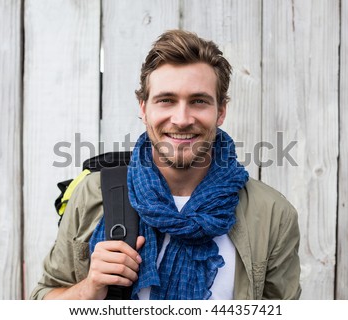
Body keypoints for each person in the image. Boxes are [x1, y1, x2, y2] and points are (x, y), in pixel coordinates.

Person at [30, 30, 301, 300]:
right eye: (166, 100)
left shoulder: (273, 215)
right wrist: (89, 289)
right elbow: (41, 299)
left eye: (198, 101)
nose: (182, 119)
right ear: (144, 108)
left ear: (220, 111)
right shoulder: (93, 193)